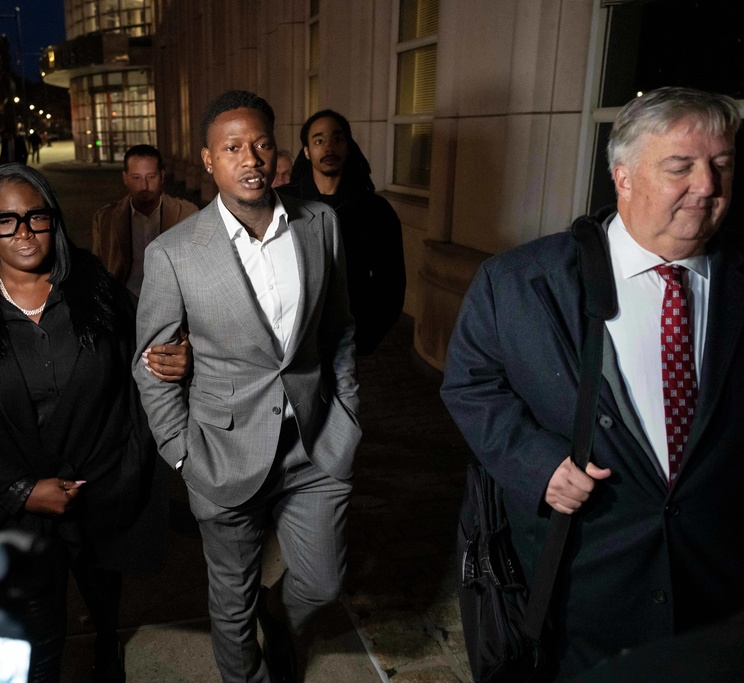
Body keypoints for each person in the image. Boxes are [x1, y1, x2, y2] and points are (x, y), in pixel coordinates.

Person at [440, 86, 744, 679]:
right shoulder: (521, 282)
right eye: (680, 167)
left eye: (722, 165)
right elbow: (470, 384)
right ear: (623, 177)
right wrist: (536, 465)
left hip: (713, 591)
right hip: (581, 586)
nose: (707, 185)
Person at [0, 163, 172, 683]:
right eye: (6, 221)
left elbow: (145, 359)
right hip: (12, 512)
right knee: (35, 648)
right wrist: (21, 490)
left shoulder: (95, 293)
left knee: (102, 592)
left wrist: (175, 360)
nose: (23, 232)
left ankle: (108, 645)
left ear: (53, 220)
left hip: (97, 491)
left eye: (35, 217)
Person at [134, 90, 361, 683]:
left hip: (314, 445)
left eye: (261, 144)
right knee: (232, 603)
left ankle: (279, 617)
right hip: (222, 453)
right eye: (232, 148)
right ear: (209, 160)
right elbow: (150, 365)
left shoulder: (320, 224)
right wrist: (181, 452)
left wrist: (346, 414)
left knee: (324, 582)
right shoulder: (173, 254)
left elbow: (339, 328)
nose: (251, 159)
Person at [278, 110, 406, 355]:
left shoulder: (375, 210)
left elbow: (391, 283)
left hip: (347, 339)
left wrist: (364, 338)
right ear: (307, 151)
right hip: (289, 339)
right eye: (319, 140)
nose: (329, 147)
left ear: (347, 146)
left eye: (337, 139)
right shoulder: (283, 204)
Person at [91, 144, 199, 297]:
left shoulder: (187, 214)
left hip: (173, 300)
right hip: (124, 302)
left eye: (151, 177)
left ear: (162, 176)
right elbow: (97, 270)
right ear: (125, 178)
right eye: (136, 178)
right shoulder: (105, 218)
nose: (144, 186)